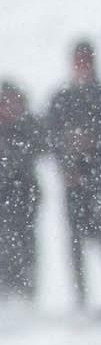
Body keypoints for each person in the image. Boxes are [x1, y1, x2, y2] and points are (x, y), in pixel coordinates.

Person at [47, 42, 101, 316]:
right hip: (73, 180)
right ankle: (80, 294)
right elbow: (51, 136)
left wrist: (92, 145)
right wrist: (68, 157)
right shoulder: (62, 97)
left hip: (100, 178)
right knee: (74, 239)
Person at [0, 81, 40, 302]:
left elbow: (38, 146)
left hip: (24, 198)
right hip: (5, 198)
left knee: (25, 245)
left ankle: (25, 290)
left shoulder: (26, 126)